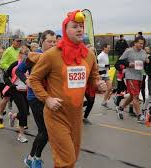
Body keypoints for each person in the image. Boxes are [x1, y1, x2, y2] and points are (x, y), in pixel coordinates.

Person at [28, 10, 106, 168]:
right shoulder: (52, 55)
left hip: (76, 116)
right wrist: (47, 99)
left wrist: (98, 85)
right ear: (65, 30)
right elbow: (33, 79)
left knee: (72, 158)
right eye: (75, 26)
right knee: (66, 160)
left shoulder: (89, 55)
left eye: (81, 26)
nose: (79, 29)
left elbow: (93, 78)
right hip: (56, 115)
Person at [16, 30, 56, 168]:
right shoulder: (34, 56)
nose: (52, 44)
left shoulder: (55, 56)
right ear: (42, 42)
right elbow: (18, 70)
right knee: (45, 131)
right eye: (49, 41)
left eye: (54, 42)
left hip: (49, 97)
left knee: (45, 131)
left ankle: (31, 157)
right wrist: (26, 80)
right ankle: (35, 158)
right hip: (35, 96)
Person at [116, 36, 149, 121]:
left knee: (132, 96)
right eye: (140, 43)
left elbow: (145, 62)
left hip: (139, 76)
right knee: (136, 96)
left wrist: (147, 61)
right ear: (135, 43)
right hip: (130, 76)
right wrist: (128, 64)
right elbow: (119, 62)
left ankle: (121, 107)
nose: (142, 45)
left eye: (143, 43)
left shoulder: (143, 52)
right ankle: (139, 115)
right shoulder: (128, 51)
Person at [0, 35, 21, 129]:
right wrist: (12, 70)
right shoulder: (8, 50)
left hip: (19, 79)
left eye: (20, 41)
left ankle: (20, 122)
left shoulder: (20, 50)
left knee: (21, 100)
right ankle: (0, 117)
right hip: (10, 78)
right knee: (6, 99)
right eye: (17, 41)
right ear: (12, 41)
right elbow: (2, 64)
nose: (19, 43)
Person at [98, 43, 112, 109]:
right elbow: (96, 63)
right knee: (99, 89)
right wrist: (105, 66)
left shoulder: (106, 54)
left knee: (109, 88)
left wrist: (107, 66)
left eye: (109, 47)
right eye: (108, 47)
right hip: (100, 74)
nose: (109, 49)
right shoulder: (100, 55)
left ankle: (104, 102)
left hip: (106, 74)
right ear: (104, 48)